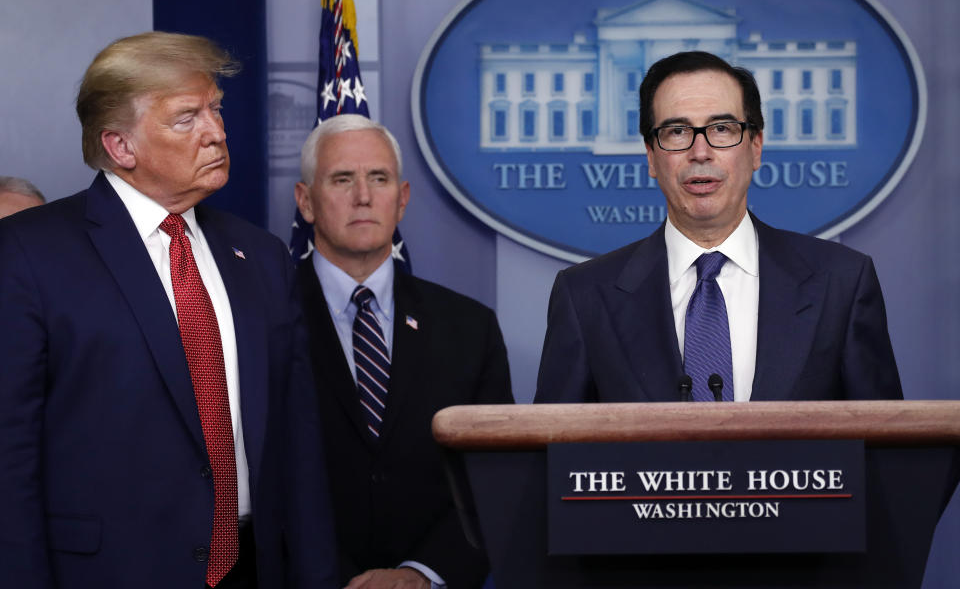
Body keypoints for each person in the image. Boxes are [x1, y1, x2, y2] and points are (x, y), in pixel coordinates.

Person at [0, 32, 338, 588]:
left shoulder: (261, 256)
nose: (217, 133)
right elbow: (9, 462)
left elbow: (298, 446)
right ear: (120, 147)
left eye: (216, 110)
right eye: (187, 119)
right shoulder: (29, 253)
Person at [535, 51, 902, 404]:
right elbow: (554, 453)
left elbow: (887, 449)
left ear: (755, 147)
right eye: (677, 131)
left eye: (722, 129)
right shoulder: (584, 296)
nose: (700, 152)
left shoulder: (842, 282)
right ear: (651, 156)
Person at [293, 114, 514, 589]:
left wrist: (422, 573)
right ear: (306, 201)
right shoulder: (260, 320)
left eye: (379, 178)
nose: (364, 197)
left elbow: (494, 479)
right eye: (342, 179)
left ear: (403, 199)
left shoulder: (470, 327)